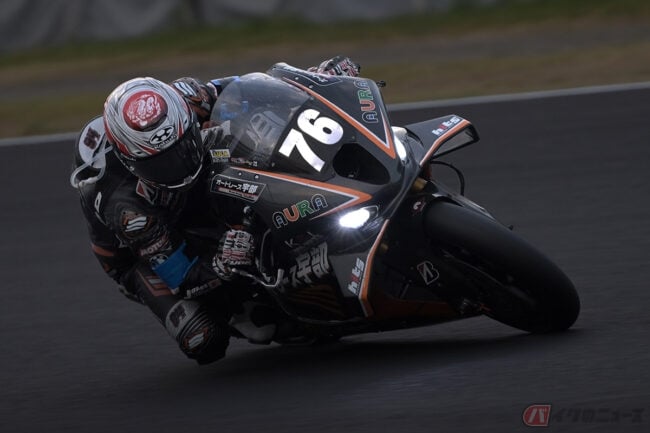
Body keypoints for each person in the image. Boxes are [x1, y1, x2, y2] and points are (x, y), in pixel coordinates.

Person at [70, 56, 361, 365]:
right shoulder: (130, 212)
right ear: (132, 164)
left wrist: (318, 78)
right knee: (203, 338)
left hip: (188, 191)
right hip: (141, 254)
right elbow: (184, 277)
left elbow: (255, 89)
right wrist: (221, 266)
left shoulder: (186, 98)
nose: (181, 164)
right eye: (162, 163)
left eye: (183, 145)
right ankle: (254, 311)